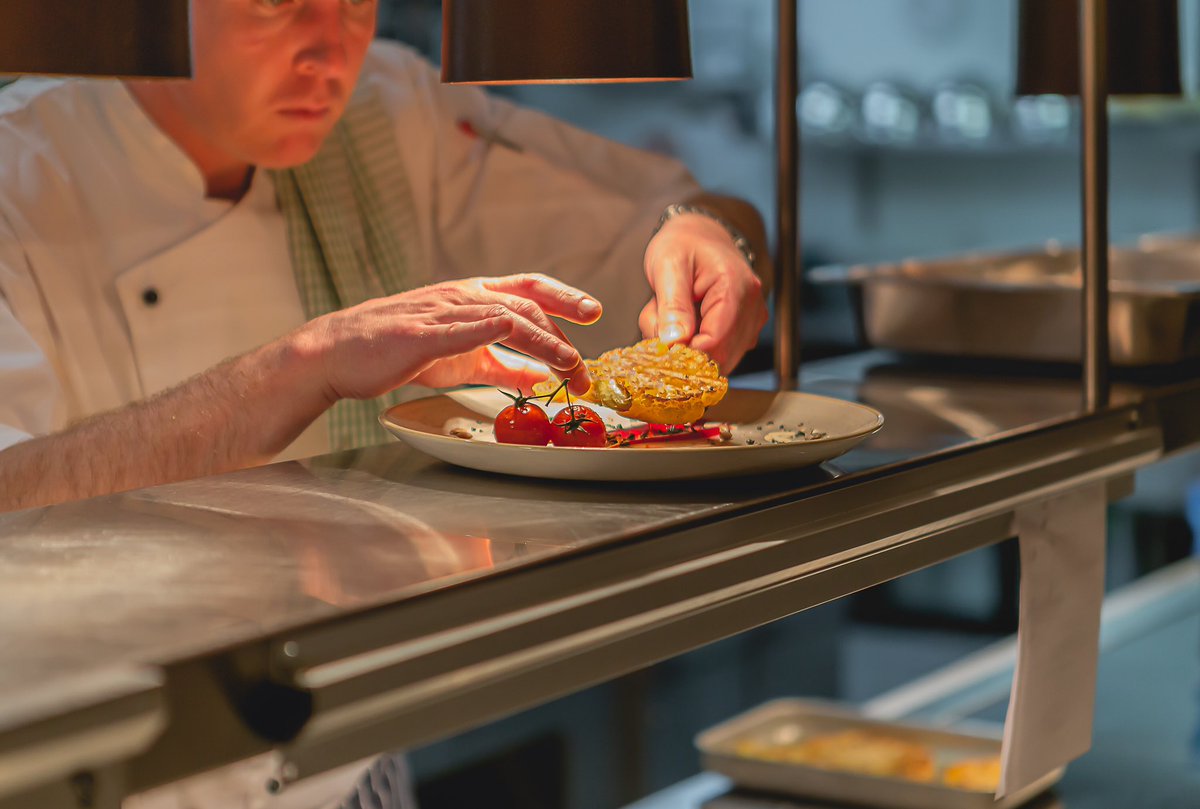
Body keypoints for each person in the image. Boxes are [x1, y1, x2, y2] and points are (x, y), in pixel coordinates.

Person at [0, 0, 769, 515]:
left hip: (357, 716)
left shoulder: (387, 108)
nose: (329, 51)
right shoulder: (21, 169)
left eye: (356, 1)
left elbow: (692, 211)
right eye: (277, 0)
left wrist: (706, 234)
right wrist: (303, 365)